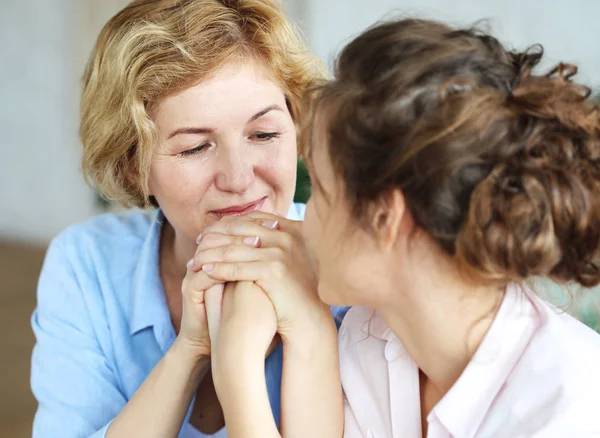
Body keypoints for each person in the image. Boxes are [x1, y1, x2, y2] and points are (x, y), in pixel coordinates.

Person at [195, 18, 600, 437]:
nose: (304, 219)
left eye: (321, 191)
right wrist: (303, 323)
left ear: (385, 217)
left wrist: (237, 372)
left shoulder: (570, 413)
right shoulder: (369, 338)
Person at [30, 1, 347, 437]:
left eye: (264, 134)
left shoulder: (353, 268)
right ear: (132, 168)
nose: (238, 179)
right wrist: (191, 351)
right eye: (195, 147)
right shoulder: (88, 264)